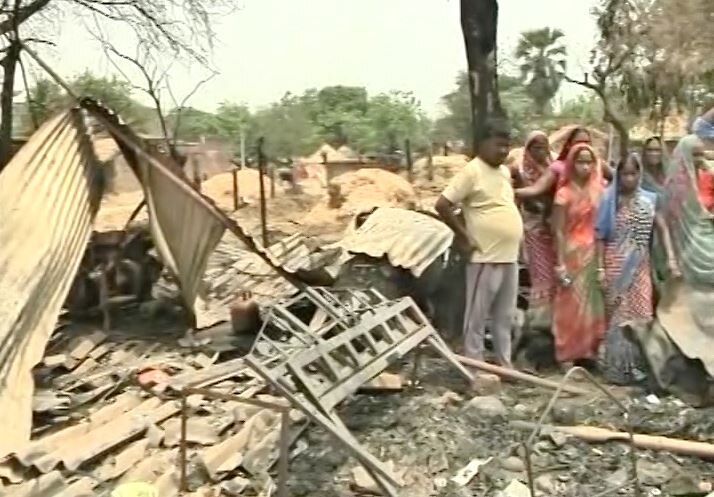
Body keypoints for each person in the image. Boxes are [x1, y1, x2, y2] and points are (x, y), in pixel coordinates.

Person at [435, 118, 522, 376]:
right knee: (477, 316)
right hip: (485, 256)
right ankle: (475, 367)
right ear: (483, 143)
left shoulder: (504, 173)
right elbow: (442, 205)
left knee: (504, 317)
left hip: (509, 257)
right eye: (498, 145)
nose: (504, 151)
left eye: (507, 146)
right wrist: (464, 237)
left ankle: (505, 364)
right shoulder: (471, 171)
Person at [594, 153, 680, 385]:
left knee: (641, 314)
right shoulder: (609, 199)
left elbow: (661, 228)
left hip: (640, 264)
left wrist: (671, 258)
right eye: (625, 174)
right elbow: (600, 237)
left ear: (639, 175)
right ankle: (616, 369)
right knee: (618, 316)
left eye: (634, 174)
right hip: (615, 263)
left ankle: (639, 367)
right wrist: (600, 269)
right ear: (618, 175)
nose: (629, 179)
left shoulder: (649, 200)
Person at [551, 143, 606, 366]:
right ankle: (566, 353)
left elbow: (603, 226)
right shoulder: (563, 194)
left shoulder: (600, 190)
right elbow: (557, 230)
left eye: (589, 161)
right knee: (570, 305)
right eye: (580, 161)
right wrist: (559, 263)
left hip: (594, 253)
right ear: (571, 164)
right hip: (572, 254)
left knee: (593, 305)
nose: (585, 166)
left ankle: (588, 351)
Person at [516, 131, 556, 329]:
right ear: (528, 149)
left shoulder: (554, 167)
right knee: (541, 275)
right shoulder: (522, 171)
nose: (540, 152)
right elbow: (525, 199)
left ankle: (554, 321)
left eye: (543, 147)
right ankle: (539, 323)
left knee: (556, 273)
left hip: (554, 229)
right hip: (534, 229)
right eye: (535, 148)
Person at [515, 126, 592, 201]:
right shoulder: (557, 167)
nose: (583, 145)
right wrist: (510, 192)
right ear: (569, 145)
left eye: (587, 142)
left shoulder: (598, 165)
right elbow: (536, 189)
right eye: (578, 142)